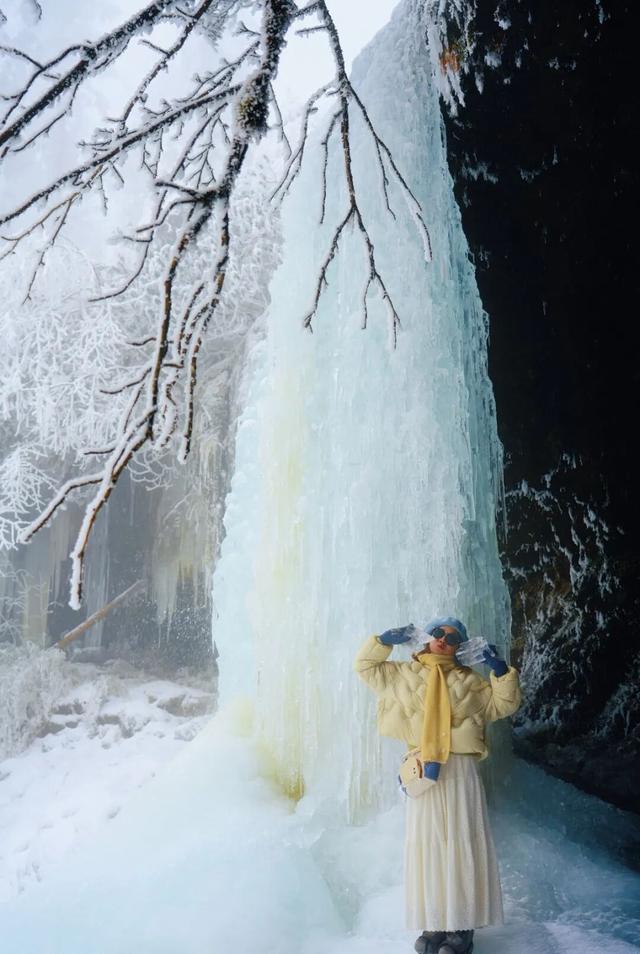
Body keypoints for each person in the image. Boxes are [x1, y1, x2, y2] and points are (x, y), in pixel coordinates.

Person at [354, 617, 522, 954]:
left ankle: (461, 926)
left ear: (460, 645)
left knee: (460, 844)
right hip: (423, 771)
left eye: (453, 636)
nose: (443, 640)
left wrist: (501, 671)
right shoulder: (400, 674)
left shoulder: (470, 682)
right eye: (437, 633)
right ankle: (433, 922)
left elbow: (505, 703)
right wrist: (382, 640)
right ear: (426, 638)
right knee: (428, 845)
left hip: (459, 770)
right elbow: (365, 666)